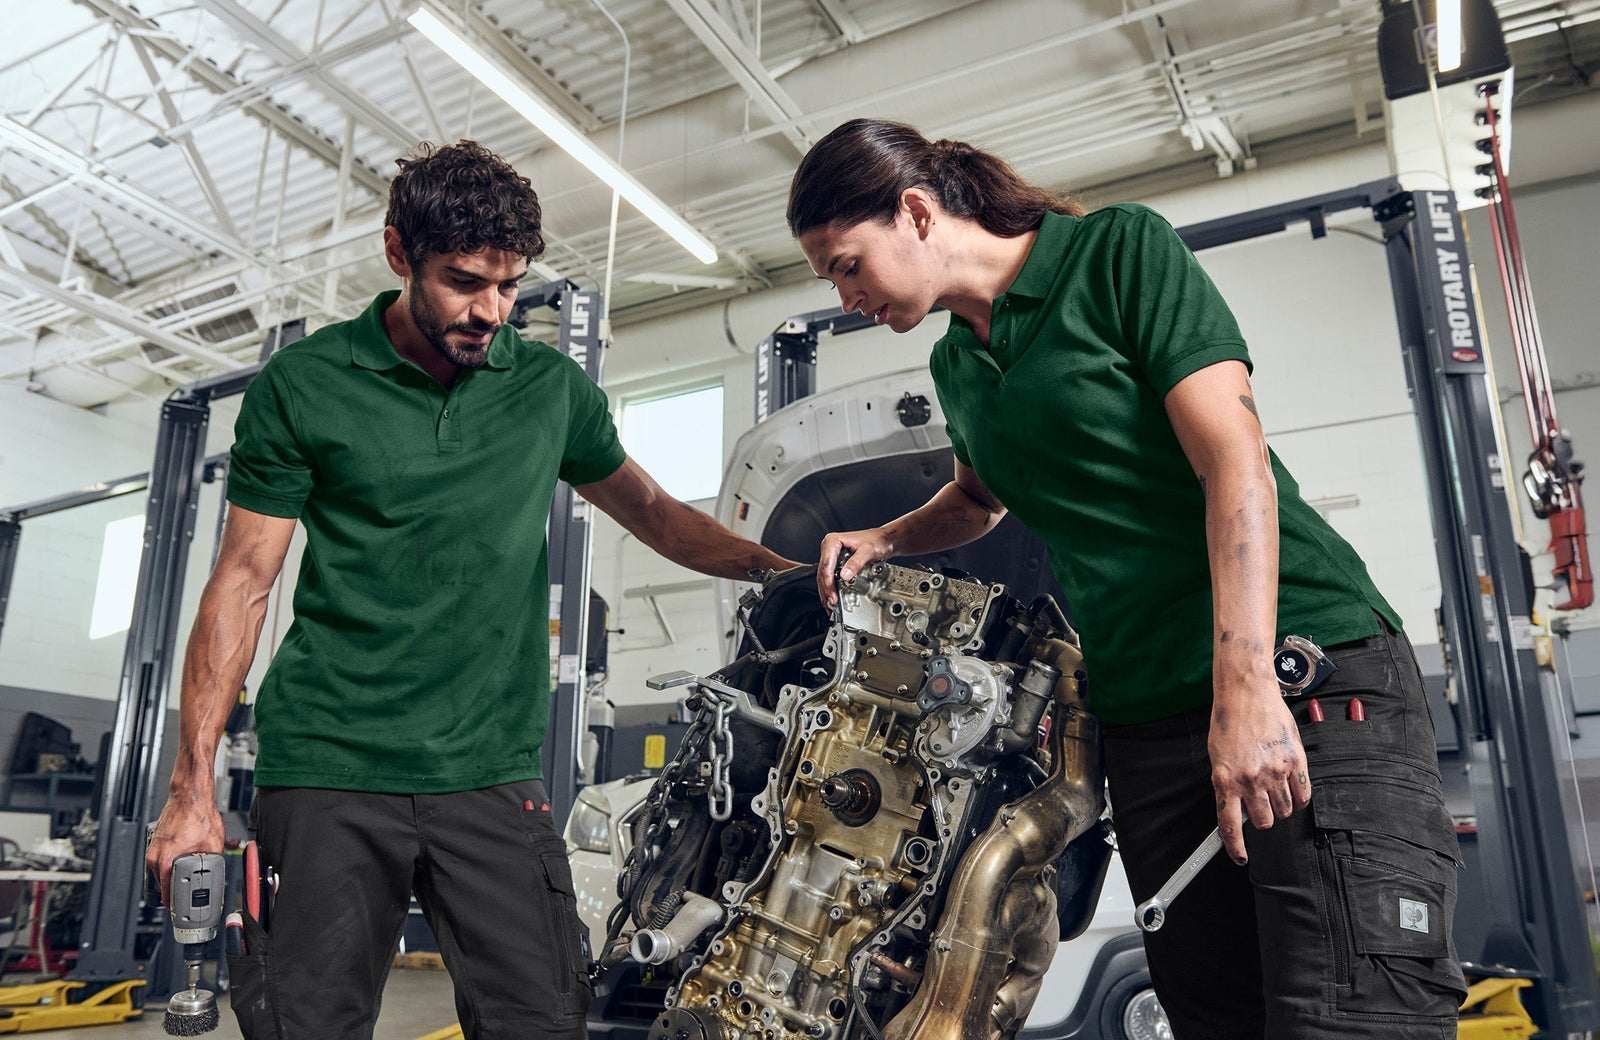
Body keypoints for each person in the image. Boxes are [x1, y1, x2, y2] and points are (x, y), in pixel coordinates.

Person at [788, 119, 1465, 1040]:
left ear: (914, 212)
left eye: (846, 263)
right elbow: (979, 499)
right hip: (1149, 725)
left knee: (1350, 1018)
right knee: (1215, 1019)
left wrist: (1247, 687)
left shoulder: (1116, 252)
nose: (843, 293)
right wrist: (885, 537)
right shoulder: (957, 361)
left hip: (1300, 674)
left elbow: (1236, 465)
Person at [145, 139, 799, 1040]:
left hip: (489, 774)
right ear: (396, 253)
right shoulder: (305, 386)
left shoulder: (550, 391)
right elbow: (244, 581)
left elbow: (656, 515)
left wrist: (795, 577)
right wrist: (191, 789)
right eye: (463, 281)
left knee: (541, 1018)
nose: (490, 310)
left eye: (509, 285)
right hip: (330, 767)